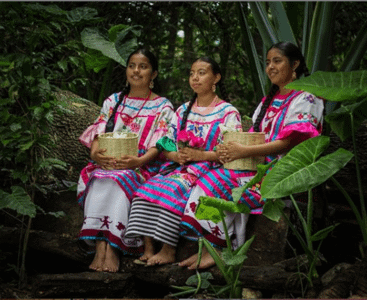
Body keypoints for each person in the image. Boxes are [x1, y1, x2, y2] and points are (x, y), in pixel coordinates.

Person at [178, 41, 325, 270]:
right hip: (257, 166)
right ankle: (212, 245)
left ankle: (219, 247)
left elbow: (290, 141)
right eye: (267, 62)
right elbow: (254, 137)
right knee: (210, 180)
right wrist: (231, 150)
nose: (270, 67)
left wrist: (243, 151)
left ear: (295, 64)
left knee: (219, 183)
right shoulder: (268, 101)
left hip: (288, 173)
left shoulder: (306, 97)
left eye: (277, 61)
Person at [124, 57, 242, 266]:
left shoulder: (228, 112)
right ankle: (149, 247)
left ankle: (169, 249)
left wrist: (200, 156)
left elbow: (232, 151)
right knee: (146, 189)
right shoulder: (183, 110)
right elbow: (166, 142)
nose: (195, 78)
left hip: (208, 168)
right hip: (178, 165)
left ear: (216, 77)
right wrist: (175, 156)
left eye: (202, 73)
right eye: (191, 73)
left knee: (174, 188)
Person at [77, 48, 174, 272]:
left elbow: (162, 142)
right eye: (132, 66)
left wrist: (138, 162)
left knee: (118, 178)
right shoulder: (113, 101)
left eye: (143, 66)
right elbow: (99, 131)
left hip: (143, 165)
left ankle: (112, 249)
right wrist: (95, 154)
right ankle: (101, 246)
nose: (136, 71)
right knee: (100, 176)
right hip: (108, 162)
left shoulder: (163, 106)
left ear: (154, 74)